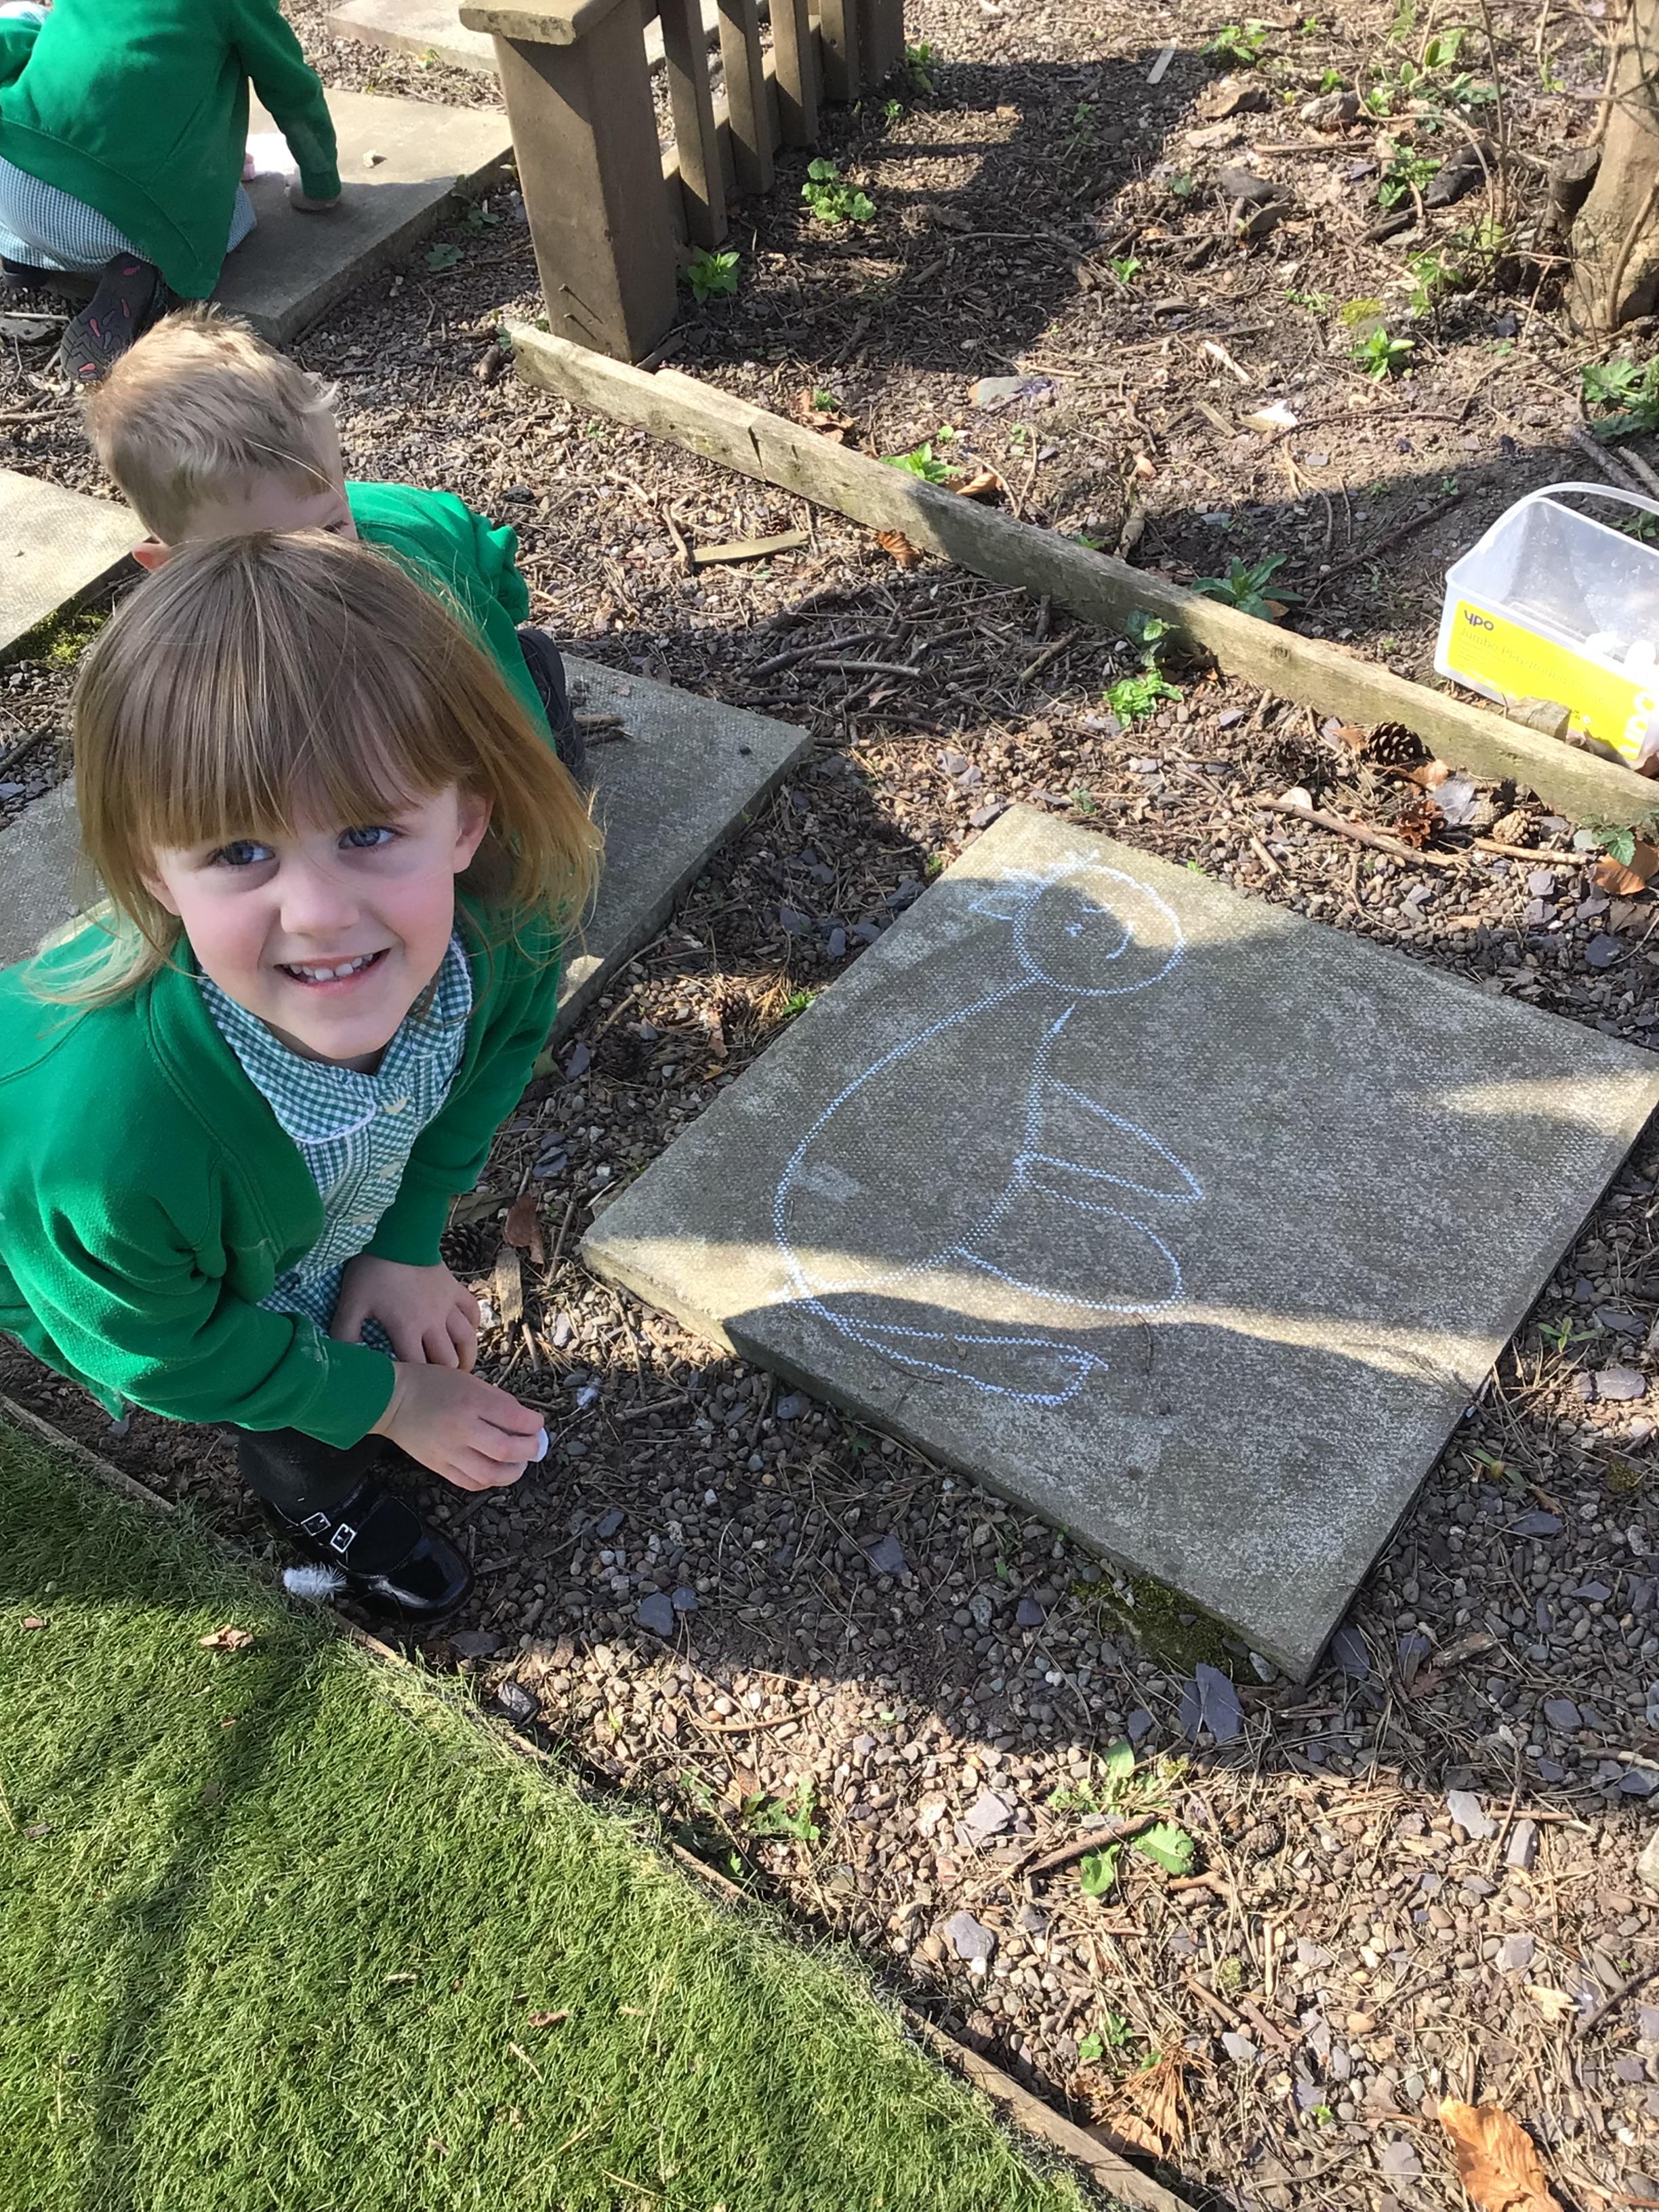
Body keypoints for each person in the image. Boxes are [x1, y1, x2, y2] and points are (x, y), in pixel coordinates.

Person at [0, 531, 602, 1620]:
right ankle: (316, 1497)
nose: (320, 914)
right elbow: (165, 1348)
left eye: (368, 831)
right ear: (150, 871)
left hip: (239, 1219)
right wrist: (392, 1398)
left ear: (466, 820)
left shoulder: (504, 937)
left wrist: (404, 1241)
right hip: (108, 1264)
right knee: (290, 1408)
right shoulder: (109, 1146)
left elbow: (485, 1075)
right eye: (239, 852)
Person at [86, 306, 584, 776]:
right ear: (171, 570)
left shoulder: (417, 582)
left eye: (330, 530)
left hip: (480, 697)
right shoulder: (196, 661)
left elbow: (502, 702)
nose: (314, 570)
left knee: (519, 678)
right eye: (261, 560)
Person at [0, 0, 340, 382]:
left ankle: (18, 251)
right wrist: (320, 182)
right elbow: (293, 91)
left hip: (11, 176)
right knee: (232, 214)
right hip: (121, 221)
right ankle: (140, 269)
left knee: (28, 19)